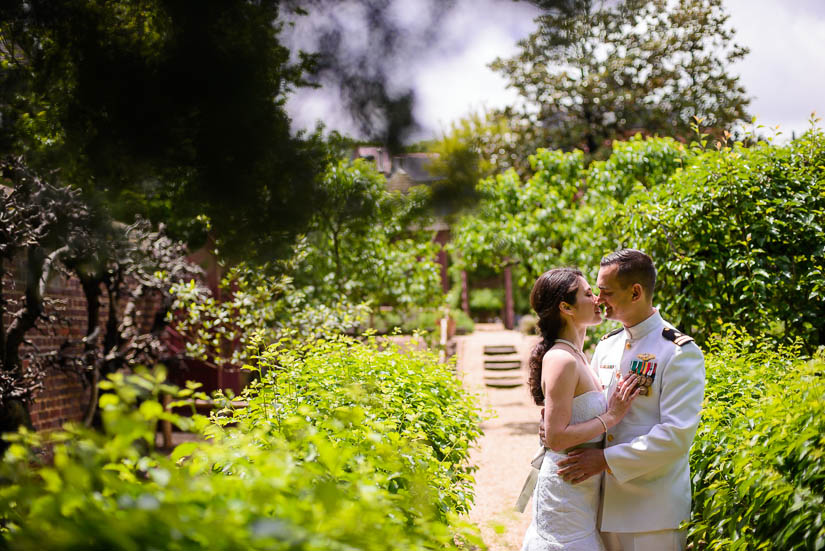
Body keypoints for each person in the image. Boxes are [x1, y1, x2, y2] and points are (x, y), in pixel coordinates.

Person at [553, 249, 706, 551]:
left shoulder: (677, 352)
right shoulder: (606, 346)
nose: (598, 300)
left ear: (635, 292)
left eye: (606, 292)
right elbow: (589, 410)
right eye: (596, 291)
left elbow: (676, 436)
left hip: (651, 513)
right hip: (598, 507)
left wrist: (606, 460)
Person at [521, 268, 642, 551]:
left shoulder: (581, 355)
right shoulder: (561, 359)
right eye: (588, 294)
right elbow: (556, 438)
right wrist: (610, 417)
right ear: (566, 308)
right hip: (565, 489)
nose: (598, 299)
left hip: (583, 489)